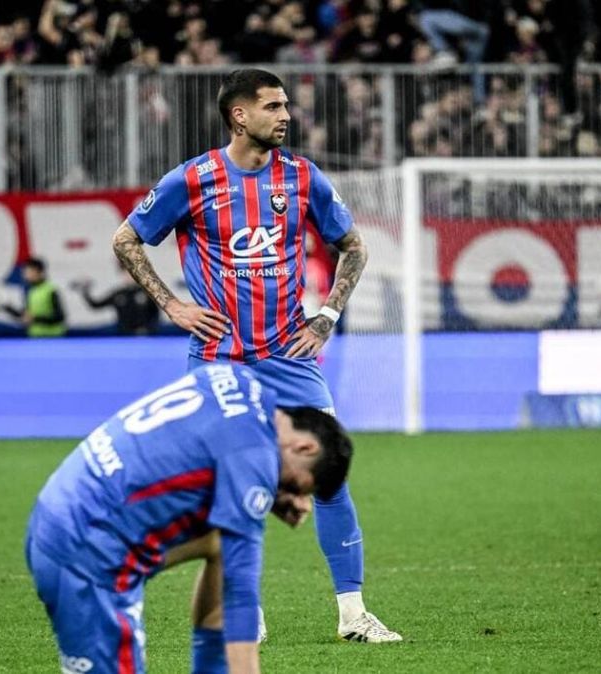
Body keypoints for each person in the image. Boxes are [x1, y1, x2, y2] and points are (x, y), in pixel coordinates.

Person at [111, 68, 399, 643]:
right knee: (232, 485)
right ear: (239, 116)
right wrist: (172, 305)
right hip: (219, 360)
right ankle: (246, 611)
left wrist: (327, 316)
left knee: (330, 476)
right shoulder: (193, 179)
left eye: (285, 105)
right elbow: (126, 239)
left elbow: (353, 247)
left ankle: (353, 614)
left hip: (292, 358)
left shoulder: (302, 177)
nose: (285, 115)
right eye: (272, 106)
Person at [26, 363, 352, 674]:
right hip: (86, 558)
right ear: (305, 448)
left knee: (218, 543)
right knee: (232, 556)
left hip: (60, 508)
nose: (284, 491)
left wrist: (269, 490)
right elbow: (240, 590)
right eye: (294, 485)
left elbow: (207, 445)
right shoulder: (252, 461)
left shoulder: (235, 379)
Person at [72, 266, 160, 335]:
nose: (128, 277)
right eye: (126, 274)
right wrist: (85, 292)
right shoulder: (118, 294)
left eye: (131, 274)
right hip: (123, 334)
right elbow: (96, 305)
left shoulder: (146, 293)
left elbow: (156, 313)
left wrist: (150, 329)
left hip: (144, 334)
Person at [4, 257, 67, 337]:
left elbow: (60, 317)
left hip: (53, 337)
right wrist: (8, 308)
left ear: (38, 272)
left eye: (28, 272)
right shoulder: (29, 291)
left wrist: (35, 319)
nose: (25, 275)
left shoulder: (51, 290)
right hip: (35, 337)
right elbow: (26, 316)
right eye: (24, 272)